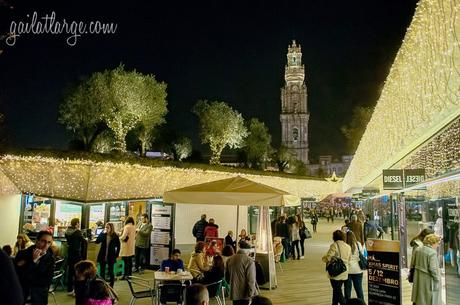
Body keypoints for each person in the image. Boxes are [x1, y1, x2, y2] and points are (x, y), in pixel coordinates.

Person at [14, 230, 55, 305]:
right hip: (22, 294)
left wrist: (29, 276)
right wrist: (33, 262)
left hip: (39, 296)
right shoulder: (22, 254)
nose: (46, 245)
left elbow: (47, 281)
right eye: (43, 241)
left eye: (49, 242)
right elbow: (18, 276)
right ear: (37, 241)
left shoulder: (50, 258)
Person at [411, 234, 442, 305]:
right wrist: (437, 279)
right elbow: (433, 269)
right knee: (429, 299)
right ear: (433, 243)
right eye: (437, 243)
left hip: (418, 278)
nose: (437, 245)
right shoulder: (432, 253)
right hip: (428, 280)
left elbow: (413, 262)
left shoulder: (418, 249)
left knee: (420, 297)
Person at [322, 230, 351, 305]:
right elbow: (349, 259)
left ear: (334, 237)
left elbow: (328, 258)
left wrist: (324, 258)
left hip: (336, 272)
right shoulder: (348, 246)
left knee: (338, 292)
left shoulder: (334, 245)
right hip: (344, 271)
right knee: (336, 290)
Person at [95, 222, 120, 287]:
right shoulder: (104, 235)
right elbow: (97, 241)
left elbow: (118, 246)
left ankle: (111, 285)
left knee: (111, 271)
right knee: (102, 271)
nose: (106, 229)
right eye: (106, 227)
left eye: (108, 227)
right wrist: (102, 233)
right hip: (103, 255)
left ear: (111, 228)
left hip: (111, 256)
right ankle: (103, 285)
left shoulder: (115, 236)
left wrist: (116, 254)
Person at [65, 217, 86, 295]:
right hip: (77, 254)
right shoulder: (77, 232)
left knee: (70, 272)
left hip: (70, 253)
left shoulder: (67, 231)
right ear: (77, 223)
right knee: (77, 271)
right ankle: (77, 290)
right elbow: (83, 240)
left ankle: (70, 290)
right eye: (78, 223)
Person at [344, 231, 365, 303]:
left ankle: (347, 303)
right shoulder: (358, 244)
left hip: (347, 271)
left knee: (347, 289)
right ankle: (362, 302)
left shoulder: (345, 246)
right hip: (358, 270)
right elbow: (362, 254)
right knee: (359, 289)